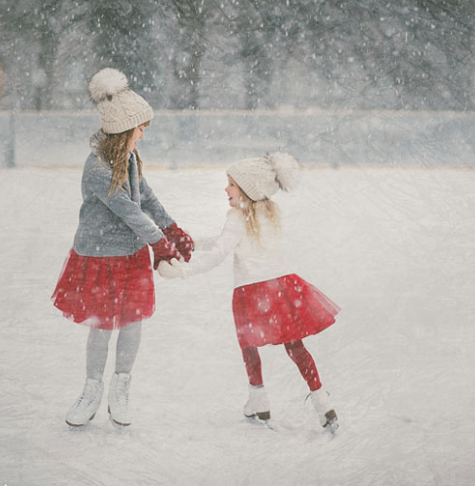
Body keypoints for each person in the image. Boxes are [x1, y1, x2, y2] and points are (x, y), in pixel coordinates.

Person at [51, 68, 194, 428]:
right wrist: (161, 245)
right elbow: (129, 211)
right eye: (140, 129)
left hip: (131, 254)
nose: (143, 135)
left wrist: (171, 228)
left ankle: (121, 388)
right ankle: (92, 389)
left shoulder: (128, 159)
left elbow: (145, 196)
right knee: (101, 325)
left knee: (131, 321)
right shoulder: (97, 168)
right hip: (99, 255)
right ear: (122, 132)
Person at [158, 153, 340, 433]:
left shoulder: (237, 217)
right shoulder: (270, 213)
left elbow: (219, 253)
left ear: (248, 189)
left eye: (231, 184)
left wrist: (182, 271)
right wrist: (191, 242)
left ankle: (259, 399)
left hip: (250, 292)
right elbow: (223, 243)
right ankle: (322, 400)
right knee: (295, 346)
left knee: (249, 346)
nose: (226, 189)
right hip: (281, 288)